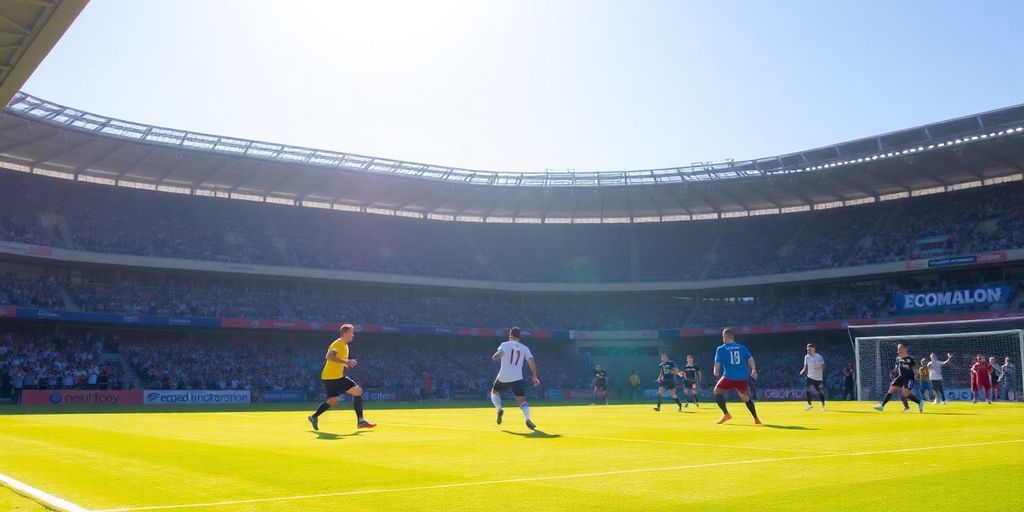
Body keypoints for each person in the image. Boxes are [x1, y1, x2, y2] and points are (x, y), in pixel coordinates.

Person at [308, 324, 376, 430]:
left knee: (357, 390)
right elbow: (329, 356)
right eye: (351, 332)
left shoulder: (345, 345)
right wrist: (346, 361)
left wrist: (347, 363)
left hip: (338, 377)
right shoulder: (338, 343)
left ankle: (361, 421)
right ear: (345, 334)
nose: (353, 335)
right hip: (330, 377)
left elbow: (339, 361)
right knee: (333, 402)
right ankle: (314, 416)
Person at [490, 327, 540, 430]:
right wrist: (534, 376)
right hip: (517, 377)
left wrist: (495, 357)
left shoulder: (504, 345)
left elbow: (497, 355)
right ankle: (527, 419)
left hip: (504, 375)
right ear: (519, 336)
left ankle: (499, 409)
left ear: (510, 335)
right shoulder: (525, 348)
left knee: (495, 392)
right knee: (521, 399)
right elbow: (531, 361)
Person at [712, 328, 761, 425]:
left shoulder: (721, 349)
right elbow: (750, 358)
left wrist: (716, 371)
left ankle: (726, 414)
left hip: (729, 377)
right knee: (745, 398)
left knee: (717, 391)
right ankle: (756, 418)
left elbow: (717, 363)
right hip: (742, 378)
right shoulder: (742, 347)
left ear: (725, 336)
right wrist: (754, 369)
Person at [873, 343, 924, 413]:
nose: (899, 349)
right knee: (890, 390)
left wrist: (917, 374)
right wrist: (893, 372)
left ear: (905, 349)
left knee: (906, 394)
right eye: (898, 348)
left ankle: (919, 402)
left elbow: (915, 368)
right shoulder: (898, 358)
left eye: (900, 348)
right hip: (900, 377)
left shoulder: (910, 358)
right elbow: (897, 368)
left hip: (909, 378)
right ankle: (882, 406)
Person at [799, 343, 826, 411]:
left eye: (810, 350)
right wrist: (802, 371)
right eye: (807, 350)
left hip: (818, 378)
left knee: (819, 391)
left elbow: (824, 366)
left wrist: (819, 367)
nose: (808, 351)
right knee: (807, 390)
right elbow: (805, 366)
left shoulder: (819, 356)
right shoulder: (806, 357)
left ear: (814, 349)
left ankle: (823, 405)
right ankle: (809, 405)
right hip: (809, 377)